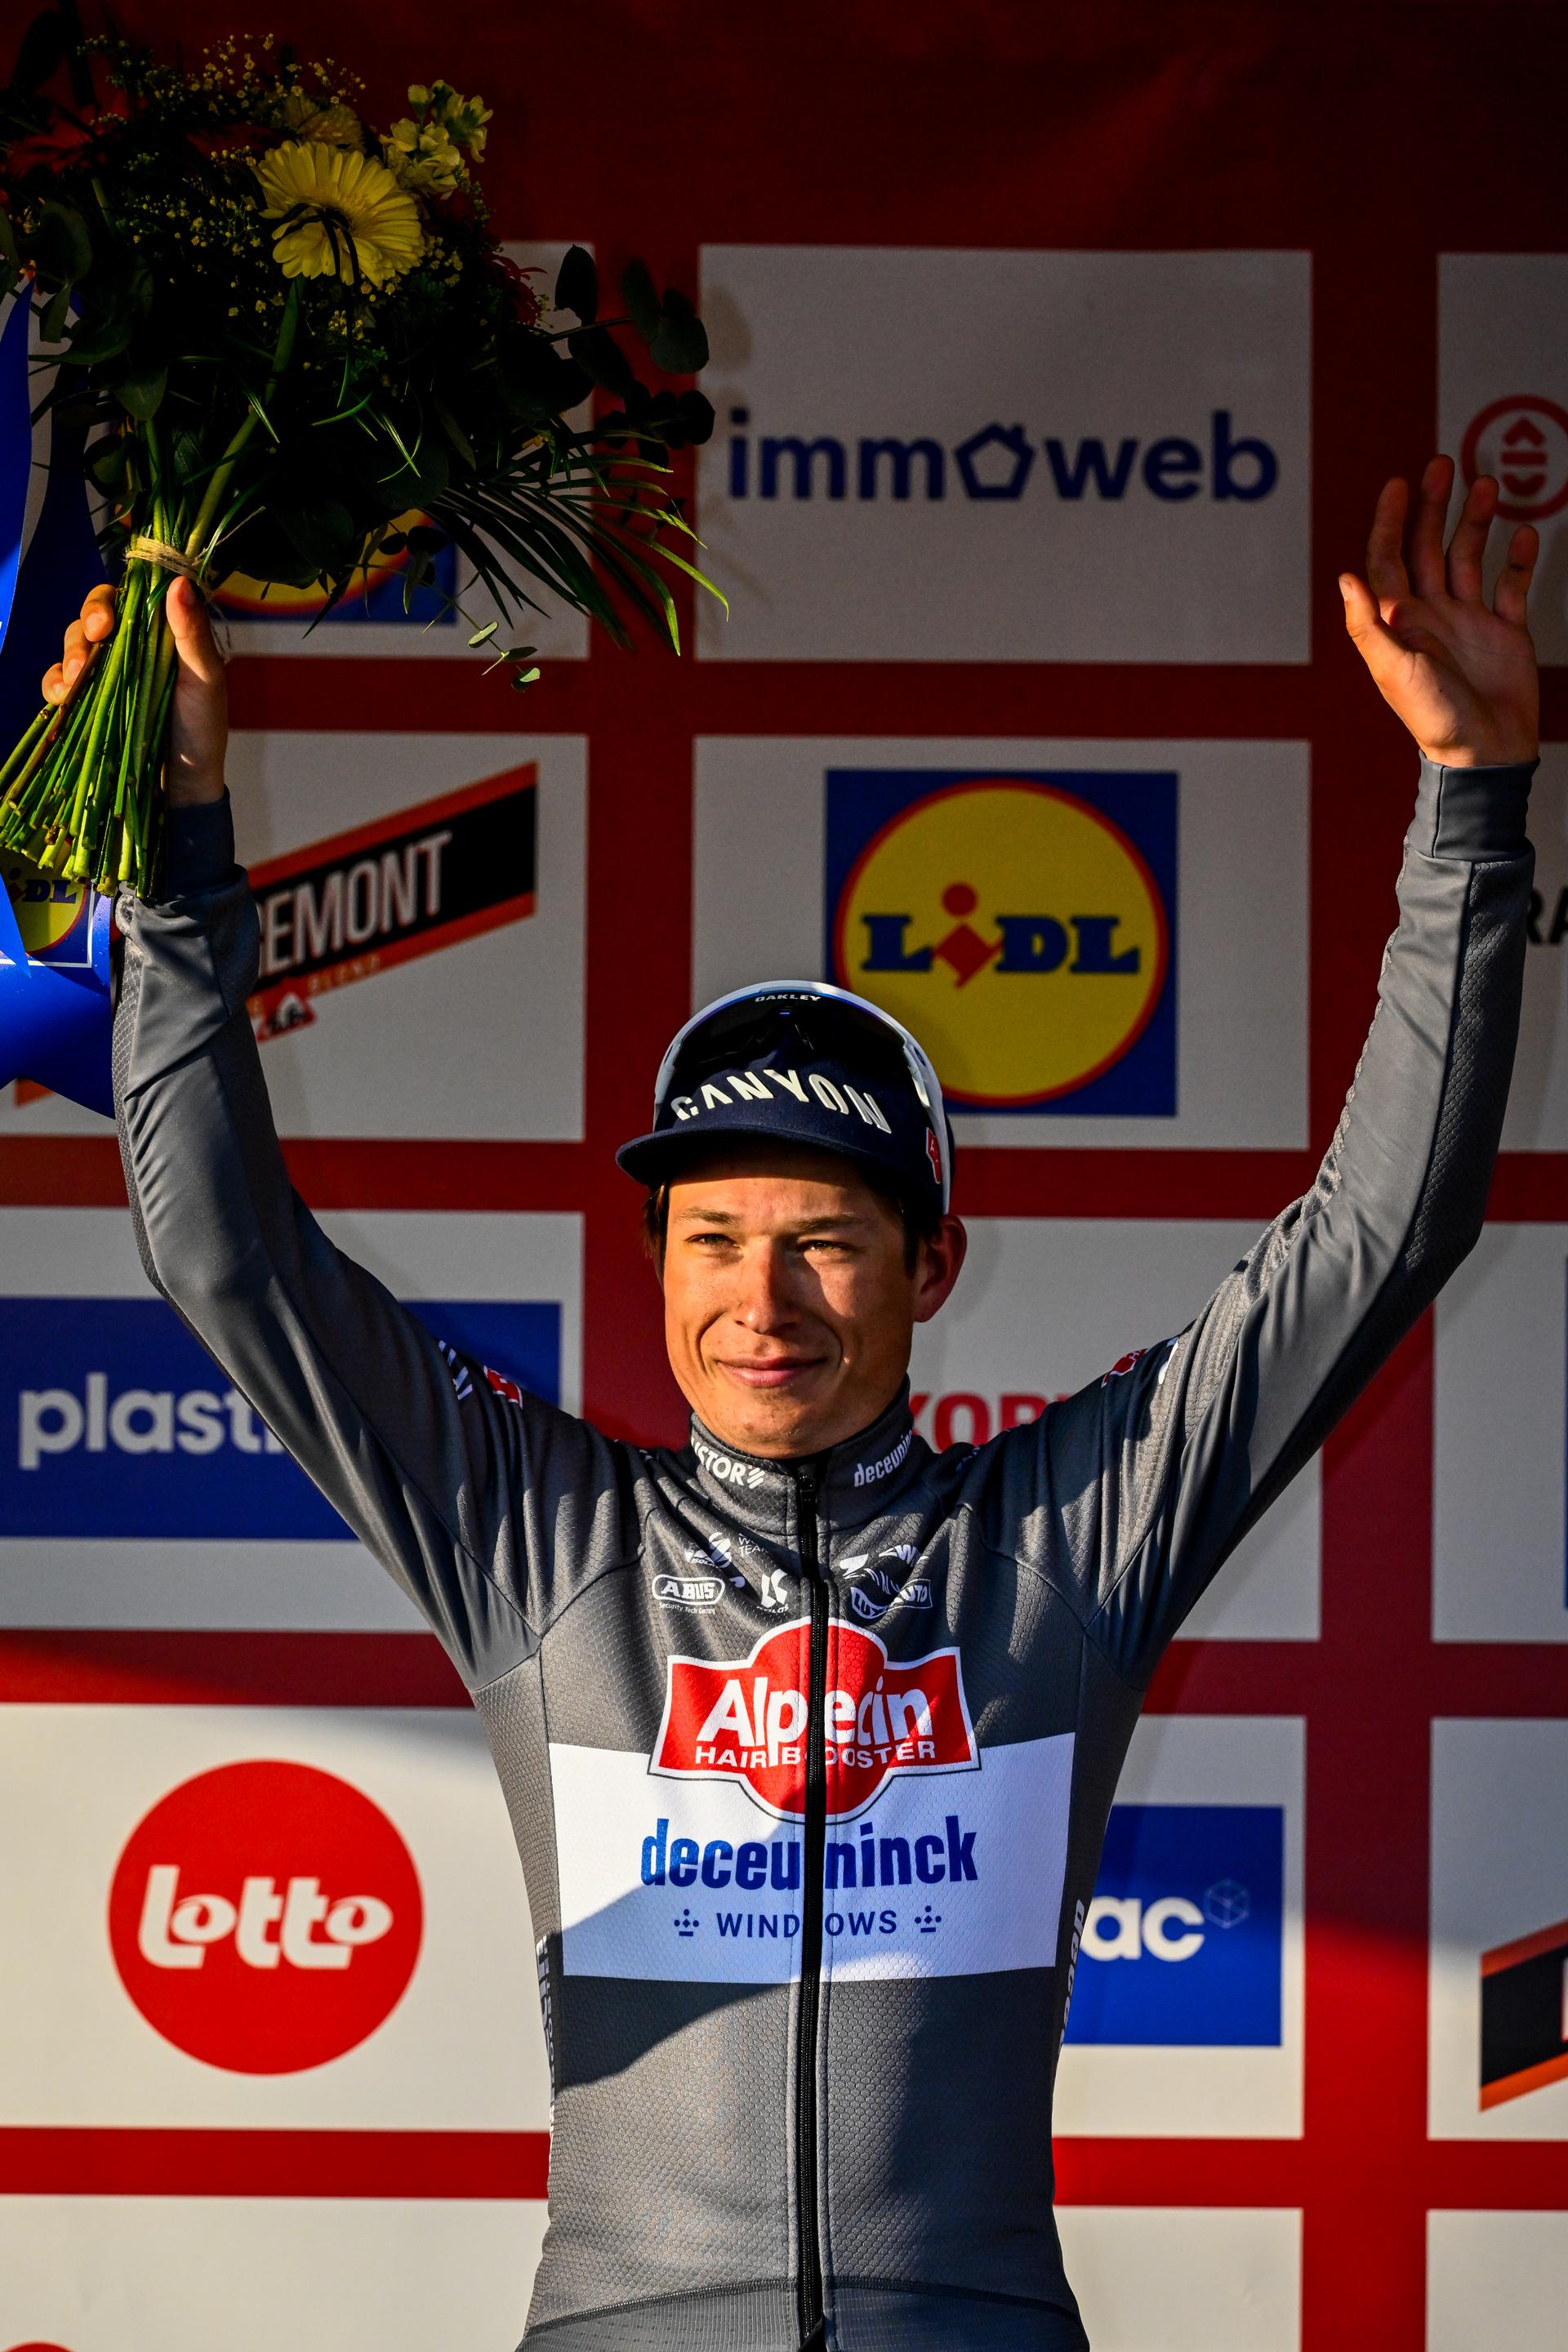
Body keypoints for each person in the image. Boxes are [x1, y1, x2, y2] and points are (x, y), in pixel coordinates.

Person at [48, 456, 1538, 2352]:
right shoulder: (544, 1543)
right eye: (715, 1241)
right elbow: (223, 1256)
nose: (763, 1303)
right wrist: (179, 844)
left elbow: (1384, 1233)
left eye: (827, 1242)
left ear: (934, 1267)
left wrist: (1473, 807)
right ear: (656, 1265)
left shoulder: (1064, 1541)